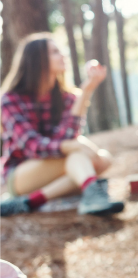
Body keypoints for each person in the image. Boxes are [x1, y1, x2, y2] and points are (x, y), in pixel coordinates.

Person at [0, 33, 123, 217]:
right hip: (21, 174)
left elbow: (68, 136)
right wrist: (71, 145)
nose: (63, 55)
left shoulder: (66, 97)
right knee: (92, 159)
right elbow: (32, 146)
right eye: (55, 52)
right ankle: (90, 189)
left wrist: (87, 90)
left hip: (58, 165)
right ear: (37, 60)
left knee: (103, 159)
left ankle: (32, 201)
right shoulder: (10, 99)